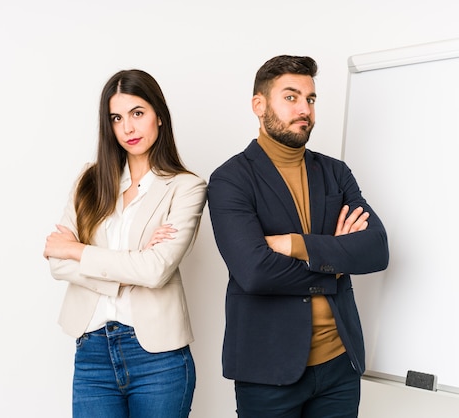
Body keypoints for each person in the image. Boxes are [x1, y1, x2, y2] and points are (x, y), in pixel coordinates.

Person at [207, 55, 389, 417]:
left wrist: (295, 244)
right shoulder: (230, 179)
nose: (304, 108)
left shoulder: (335, 173)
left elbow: (376, 248)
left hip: (339, 364)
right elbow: (255, 272)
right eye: (291, 97)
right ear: (259, 105)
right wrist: (335, 263)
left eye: (310, 98)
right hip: (268, 370)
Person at [43, 69, 206, 418]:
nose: (128, 128)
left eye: (137, 113)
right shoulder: (89, 180)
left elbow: (156, 270)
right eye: (116, 118)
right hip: (92, 353)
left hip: (158, 359)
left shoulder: (186, 188)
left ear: (159, 116)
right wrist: (133, 263)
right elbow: (57, 262)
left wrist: (78, 250)